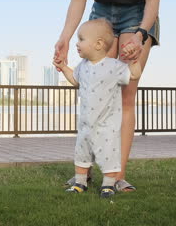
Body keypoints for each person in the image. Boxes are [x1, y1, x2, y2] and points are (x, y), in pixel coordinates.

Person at [54, 0, 162, 192]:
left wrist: (140, 36)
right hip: (102, 12)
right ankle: (84, 173)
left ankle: (117, 177)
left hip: (138, 12)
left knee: (125, 96)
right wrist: (64, 37)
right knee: (96, 94)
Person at [53, 18, 142, 198]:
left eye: (81, 39)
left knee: (109, 155)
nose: (77, 44)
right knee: (81, 153)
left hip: (106, 126)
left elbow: (134, 75)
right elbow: (75, 80)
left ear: (99, 44)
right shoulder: (82, 67)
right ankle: (80, 182)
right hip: (86, 124)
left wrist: (134, 60)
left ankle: (108, 185)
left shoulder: (114, 66)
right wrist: (63, 67)